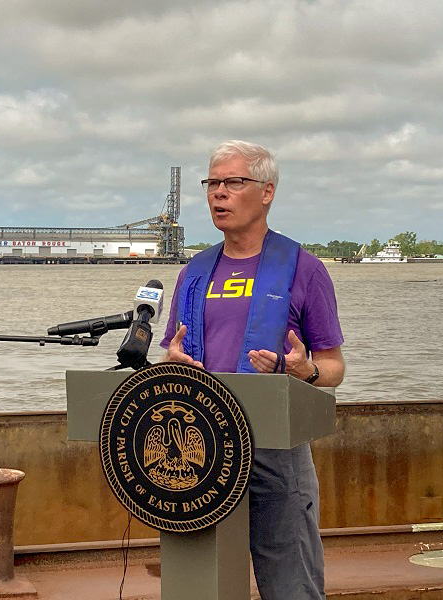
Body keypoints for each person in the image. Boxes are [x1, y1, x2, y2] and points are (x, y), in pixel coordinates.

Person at [160, 140, 345, 600]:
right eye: (212, 183)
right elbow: (173, 349)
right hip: (201, 447)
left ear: (267, 192)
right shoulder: (194, 272)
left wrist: (304, 371)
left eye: (233, 182)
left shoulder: (304, 269)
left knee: (291, 584)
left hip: (276, 448)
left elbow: (334, 367)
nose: (218, 193)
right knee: (200, 585)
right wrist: (172, 361)